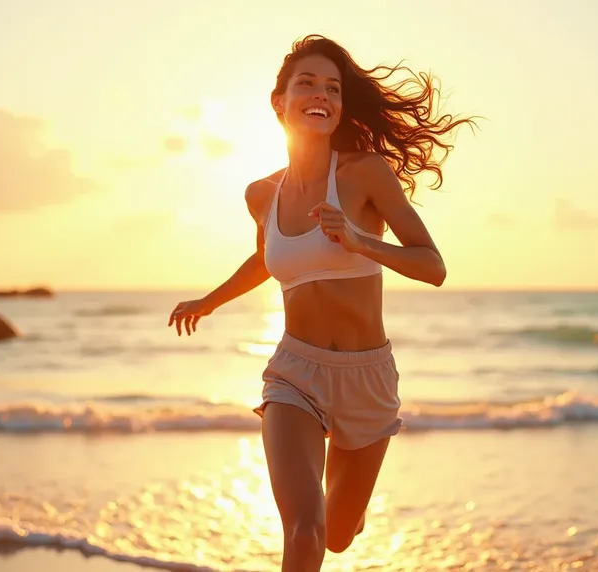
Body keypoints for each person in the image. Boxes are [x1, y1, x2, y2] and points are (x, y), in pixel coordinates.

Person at [168, 34, 474, 572]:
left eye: (332, 87)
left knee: (334, 536)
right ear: (278, 101)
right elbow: (268, 259)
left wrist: (361, 240)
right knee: (304, 534)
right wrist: (209, 300)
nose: (322, 94)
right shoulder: (261, 194)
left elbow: (433, 266)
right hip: (294, 373)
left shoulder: (365, 174)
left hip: (367, 376)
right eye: (306, 83)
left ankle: (350, 516)